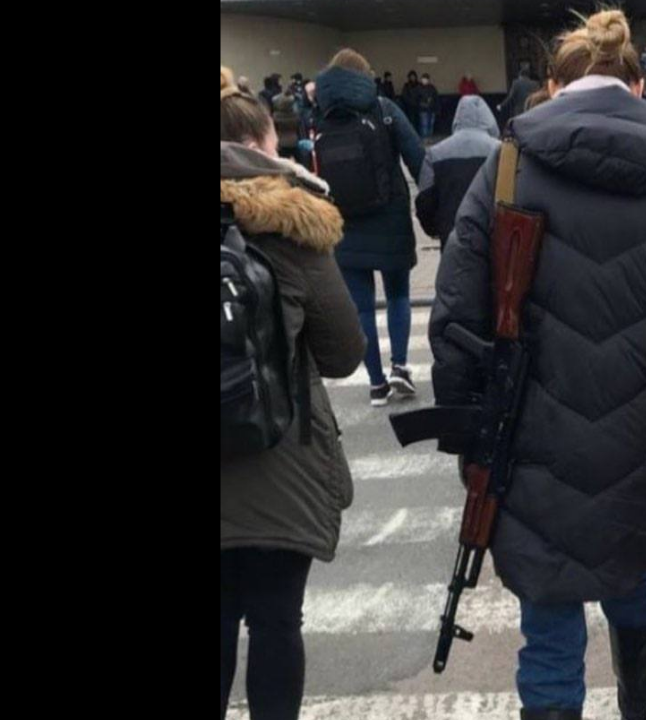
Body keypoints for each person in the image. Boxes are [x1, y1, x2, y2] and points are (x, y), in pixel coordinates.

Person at [430, 9, 646, 720]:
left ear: (552, 86)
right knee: (634, 583)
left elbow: (456, 318)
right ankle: (641, 697)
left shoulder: (508, 166)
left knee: (548, 628)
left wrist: (470, 449)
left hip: (530, 446)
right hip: (639, 443)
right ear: (638, 86)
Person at [220, 65, 366, 720]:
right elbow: (344, 354)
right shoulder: (296, 228)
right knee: (277, 622)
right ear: (258, 148)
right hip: (282, 459)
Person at [315, 49, 426, 406]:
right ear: (366, 75)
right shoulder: (385, 110)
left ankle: (376, 384)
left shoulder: (323, 116)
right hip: (390, 215)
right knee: (398, 296)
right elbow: (418, 158)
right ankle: (400, 368)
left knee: (362, 307)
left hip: (344, 221)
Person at [414, 95, 500, 252]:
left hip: (452, 237)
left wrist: (436, 229)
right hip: (493, 237)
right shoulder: (501, 150)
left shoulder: (435, 153)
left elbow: (425, 200)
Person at [420, 73, 439, 137]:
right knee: (424, 125)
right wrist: (423, 103)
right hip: (423, 109)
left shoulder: (432, 88)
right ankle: (425, 139)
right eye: (423, 79)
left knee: (431, 124)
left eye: (426, 79)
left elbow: (436, 97)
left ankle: (429, 138)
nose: (424, 80)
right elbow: (417, 99)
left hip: (431, 109)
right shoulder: (419, 88)